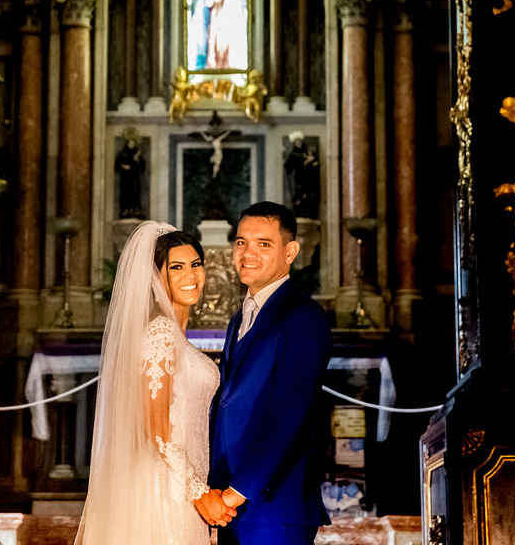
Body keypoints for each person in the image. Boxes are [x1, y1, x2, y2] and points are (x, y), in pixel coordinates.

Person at [76, 222, 233, 545]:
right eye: (177, 267)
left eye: (196, 264)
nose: (191, 276)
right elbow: (157, 427)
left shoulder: (173, 335)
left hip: (180, 484)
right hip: (164, 489)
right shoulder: (159, 334)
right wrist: (198, 492)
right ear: (155, 276)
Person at [209, 201, 331, 545]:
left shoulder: (302, 316)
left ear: (290, 251)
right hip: (235, 508)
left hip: (272, 506)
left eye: (264, 244)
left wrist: (235, 494)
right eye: (241, 242)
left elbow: (290, 413)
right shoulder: (239, 318)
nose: (248, 252)